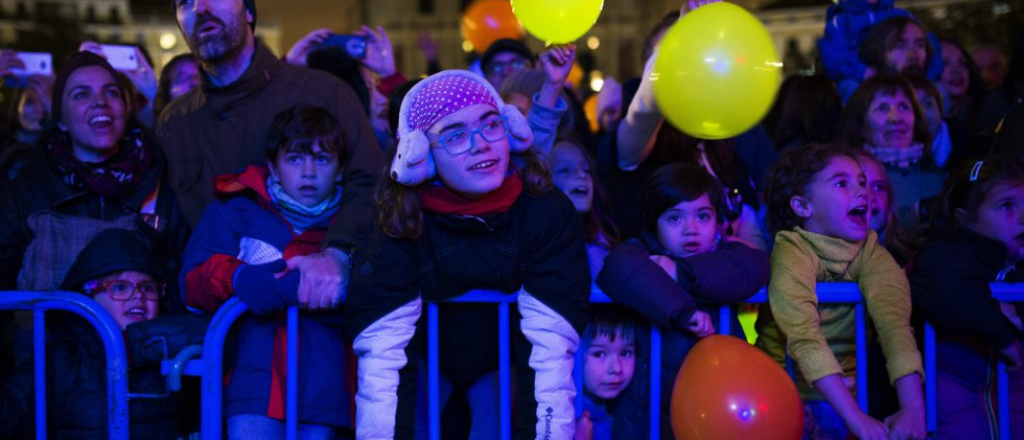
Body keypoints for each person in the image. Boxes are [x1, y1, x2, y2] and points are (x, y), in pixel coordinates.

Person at [345, 69, 589, 440]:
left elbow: (549, 356)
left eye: (491, 125)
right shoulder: (396, 221)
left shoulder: (547, 211)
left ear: (510, 130)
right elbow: (384, 365)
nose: (480, 144)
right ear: (420, 155)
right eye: (456, 135)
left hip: (504, 369)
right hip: (424, 366)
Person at [159, 0, 383, 311]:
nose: (200, 8)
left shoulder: (325, 94)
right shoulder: (175, 122)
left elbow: (370, 185)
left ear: (249, 11)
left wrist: (338, 253)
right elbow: (173, 231)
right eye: (185, 2)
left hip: (316, 322)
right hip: (211, 332)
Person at [181, 106, 355, 439]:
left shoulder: (349, 227)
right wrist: (238, 278)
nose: (307, 172)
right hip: (252, 378)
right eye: (294, 159)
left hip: (326, 383)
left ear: (341, 169)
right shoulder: (235, 213)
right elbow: (192, 280)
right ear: (273, 167)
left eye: (322, 160)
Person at [755, 143, 926, 440]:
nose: (863, 191)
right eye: (842, 183)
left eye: (862, 182)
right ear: (803, 207)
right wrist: (857, 418)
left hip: (840, 400)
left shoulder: (871, 252)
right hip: (776, 392)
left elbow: (896, 327)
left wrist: (913, 409)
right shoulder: (792, 250)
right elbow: (804, 336)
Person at [0, 51, 186, 310]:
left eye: (111, 92)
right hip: (51, 349)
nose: (100, 102)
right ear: (62, 120)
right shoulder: (29, 187)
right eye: (81, 94)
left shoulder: (160, 179)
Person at [596, 162, 769, 439]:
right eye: (674, 218)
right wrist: (683, 313)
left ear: (719, 222)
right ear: (655, 225)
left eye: (703, 216)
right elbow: (618, 266)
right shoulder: (641, 253)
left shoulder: (729, 254)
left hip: (714, 412)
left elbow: (757, 266)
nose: (691, 228)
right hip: (647, 417)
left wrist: (681, 272)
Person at [0, 228, 206, 440]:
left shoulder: (168, 348)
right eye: (119, 287)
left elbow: (218, 337)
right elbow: (11, 412)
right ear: (88, 296)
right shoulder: (61, 357)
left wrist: (130, 344)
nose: (138, 296)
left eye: (148, 288)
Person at [910, 158, 1024, 440]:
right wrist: (1005, 338)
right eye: (1006, 205)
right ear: (963, 217)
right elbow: (944, 283)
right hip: (959, 407)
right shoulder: (947, 252)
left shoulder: (1016, 264)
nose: (1022, 216)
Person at [838, 75, 945, 240]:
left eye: (903, 107)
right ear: (860, 126)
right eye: (882, 108)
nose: (895, 118)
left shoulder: (941, 179)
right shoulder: (849, 182)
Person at [548, 139, 618, 281]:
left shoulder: (600, 246)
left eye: (586, 169)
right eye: (564, 170)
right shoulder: (538, 248)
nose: (581, 175)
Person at [573, 306, 638, 440]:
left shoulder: (628, 409)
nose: (616, 368)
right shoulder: (561, 415)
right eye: (599, 354)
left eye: (625, 353)